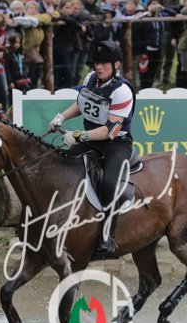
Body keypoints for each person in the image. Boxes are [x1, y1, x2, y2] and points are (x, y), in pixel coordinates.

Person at [46, 40, 136, 259]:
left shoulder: (122, 91)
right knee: (60, 162)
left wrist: (78, 135)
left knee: (108, 183)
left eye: (104, 63)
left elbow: (110, 131)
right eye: (96, 62)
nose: (98, 67)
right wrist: (61, 116)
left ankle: (108, 237)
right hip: (91, 140)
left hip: (116, 144)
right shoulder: (90, 79)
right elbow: (81, 105)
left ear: (116, 65)